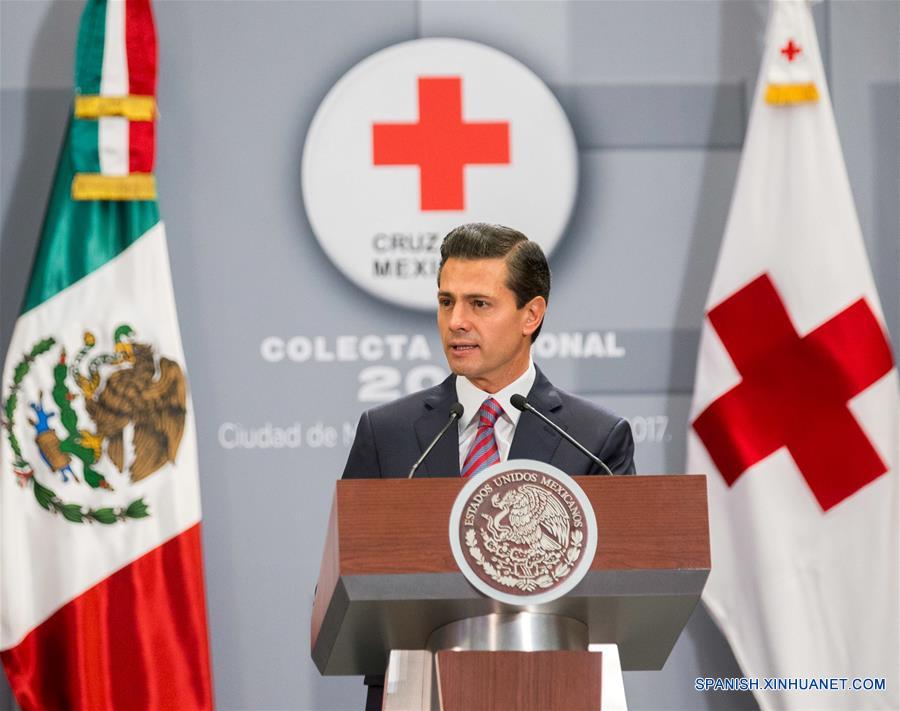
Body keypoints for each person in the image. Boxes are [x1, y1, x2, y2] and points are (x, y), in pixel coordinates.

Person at [341, 222, 635, 710]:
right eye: (445, 302)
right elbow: (345, 584)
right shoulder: (387, 433)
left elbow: (618, 590)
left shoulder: (594, 438)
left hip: (554, 688)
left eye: (479, 304)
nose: (456, 321)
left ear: (531, 314)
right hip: (416, 689)